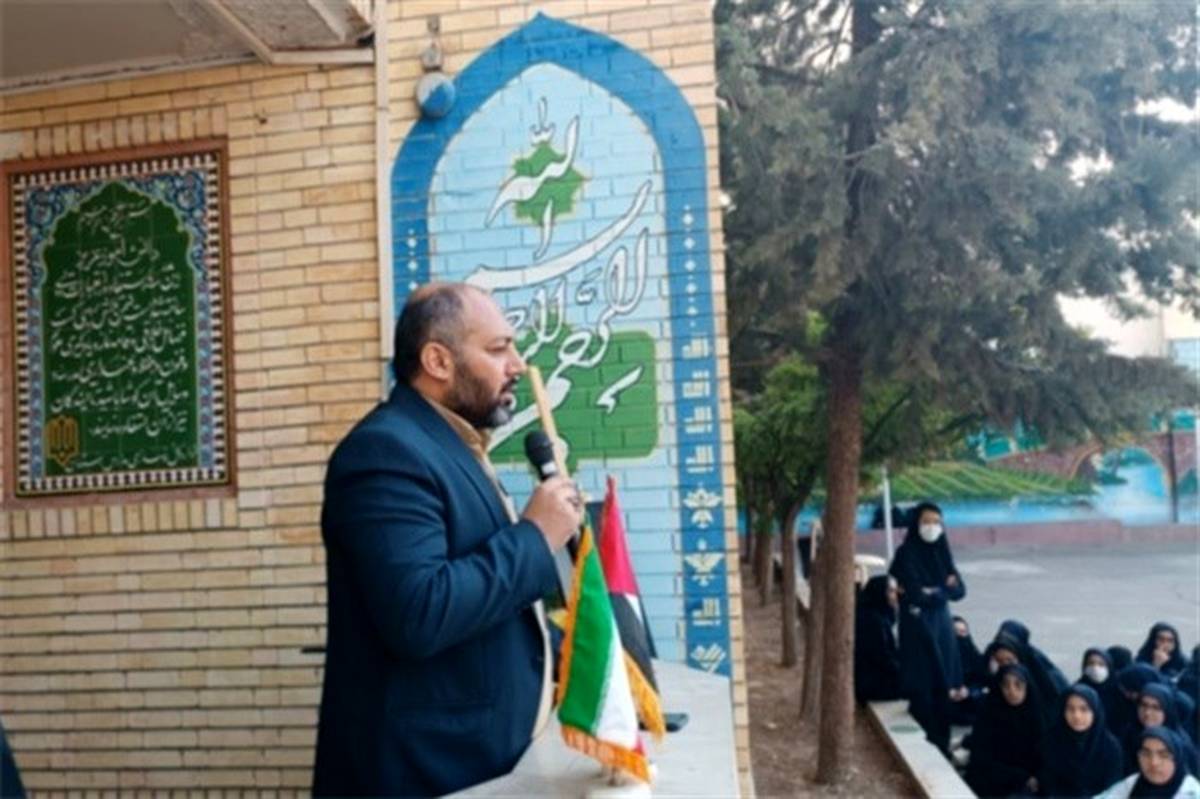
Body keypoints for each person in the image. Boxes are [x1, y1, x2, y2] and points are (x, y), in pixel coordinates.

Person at [312, 284, 584, 796]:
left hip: (480, 765)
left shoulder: (453, 446)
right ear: (438, 360)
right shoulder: (384, 452)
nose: (517, 366)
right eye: (498, 349)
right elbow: (420, 611)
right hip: (422, 774)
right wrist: (535, 535)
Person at [889, 501, 967, 752]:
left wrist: (933, 591)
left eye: (936, 522)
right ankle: (922, 744)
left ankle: (942, 747)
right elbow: (915, 594)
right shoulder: (906, 553)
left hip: (942, 627)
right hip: (917, 627)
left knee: (943, 687)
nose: (931, 527)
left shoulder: (942, 551)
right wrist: (943, 589)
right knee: (922, 686)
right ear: (916, 523)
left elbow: (960, 591)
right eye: (926, 521)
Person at [964, 663, 1044, 797]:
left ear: (1027, 686)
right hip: (994, 783)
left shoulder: (1038, 716)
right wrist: (1020, 777)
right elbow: (981, 760)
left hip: (1031, 784)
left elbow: (1046, 758)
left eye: (1018, 685)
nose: (1012, 691)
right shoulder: (989, 715)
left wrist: (1036, 778)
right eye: (1006, 685)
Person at [1037, 684, 1123, 796]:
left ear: (1095, 712)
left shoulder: (1110, 746)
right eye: (1070, 709)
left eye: (1084, 709)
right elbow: (1049, 784)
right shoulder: (1051, 741)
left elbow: (1112, 788)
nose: (1076, 716)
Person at [1096, 726, 1200, 799]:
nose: (1154, 762)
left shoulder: (1192, 793)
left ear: (1178, 759)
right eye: (1146, 754)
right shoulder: (1133, 783)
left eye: (1164, 755)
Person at [1121, 684, 1200, 777]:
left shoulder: (1180, 744)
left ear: (1167, 711)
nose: (1147, 713)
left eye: (1156, 708)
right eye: (1144, 705)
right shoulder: (1129, 734)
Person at [854, 575, 903, 703]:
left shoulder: (871, 613)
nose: (895, 596)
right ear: (880, 592)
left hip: (870, 679)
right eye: (891, 591)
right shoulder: (874, 621)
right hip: (873, 684)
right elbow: (882, 657)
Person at [1081, 646, 1128, 737]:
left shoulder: (1118, 692)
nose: (1095, 668)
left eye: (1101, 664)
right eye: (1091, 663)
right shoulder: (1079, 690)